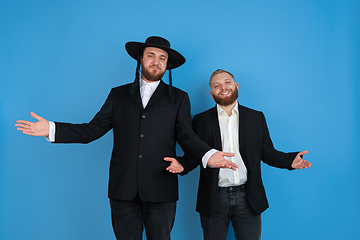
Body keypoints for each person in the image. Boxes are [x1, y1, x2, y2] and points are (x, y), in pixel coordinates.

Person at [15, 37, 238, 240]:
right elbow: (92, 130)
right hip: (123, 188)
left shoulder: (179, 98)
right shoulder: (118, 94)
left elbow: (187, 136)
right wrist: (52, 129)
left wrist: (208, 155)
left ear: (167, 64)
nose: (156, 62)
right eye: (151, 55)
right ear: (141, 58)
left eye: (162, 58)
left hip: (161, 187)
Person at [168, 69, 311, 240]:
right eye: (216, 85)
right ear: (212, 94)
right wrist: (181, 164)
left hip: (249, 197)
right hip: (213, 198)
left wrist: (290, 160)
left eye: (227, 82)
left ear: (236, 86)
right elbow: (195, 154)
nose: (223, 87)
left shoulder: (256, 118)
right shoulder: (201, 120)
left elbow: (267, 152)